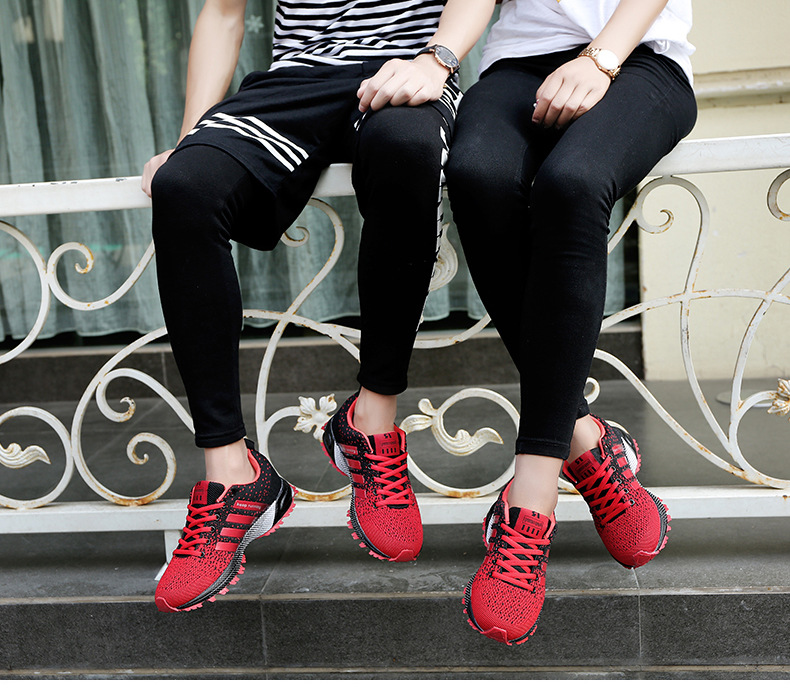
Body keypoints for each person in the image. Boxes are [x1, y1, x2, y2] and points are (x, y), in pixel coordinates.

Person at [143, 0, 495, 612]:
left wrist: (438, 59)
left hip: (408, 68)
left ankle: (371, 425)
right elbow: (223, 13)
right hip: (297, 80)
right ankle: (232, 476)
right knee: (183, 188)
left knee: (407, 149)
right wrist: (190, 137)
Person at [445, 0, 697, 645]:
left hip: (642, 59)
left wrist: (600, 58)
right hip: (517, 62)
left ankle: (531, 497)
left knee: (574, 181)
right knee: (476, 172)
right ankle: (584, 441)